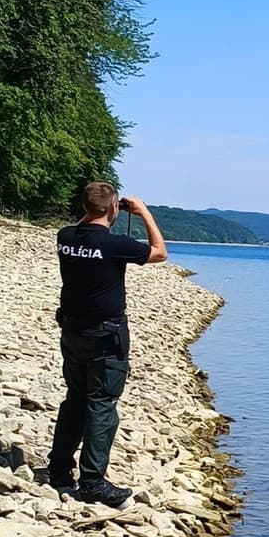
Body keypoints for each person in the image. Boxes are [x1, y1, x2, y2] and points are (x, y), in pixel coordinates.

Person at [49, 181, 167, 506]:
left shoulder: (66, 237)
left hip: (72, 331)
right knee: (101, 404)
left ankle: (59, 470)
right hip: (105, 336)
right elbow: (160, 252)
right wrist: (142, 211)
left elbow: (85, 229)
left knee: (75, 398)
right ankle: (92, 481)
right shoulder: (115, 244)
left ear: (85, 206)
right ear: (114, 208)